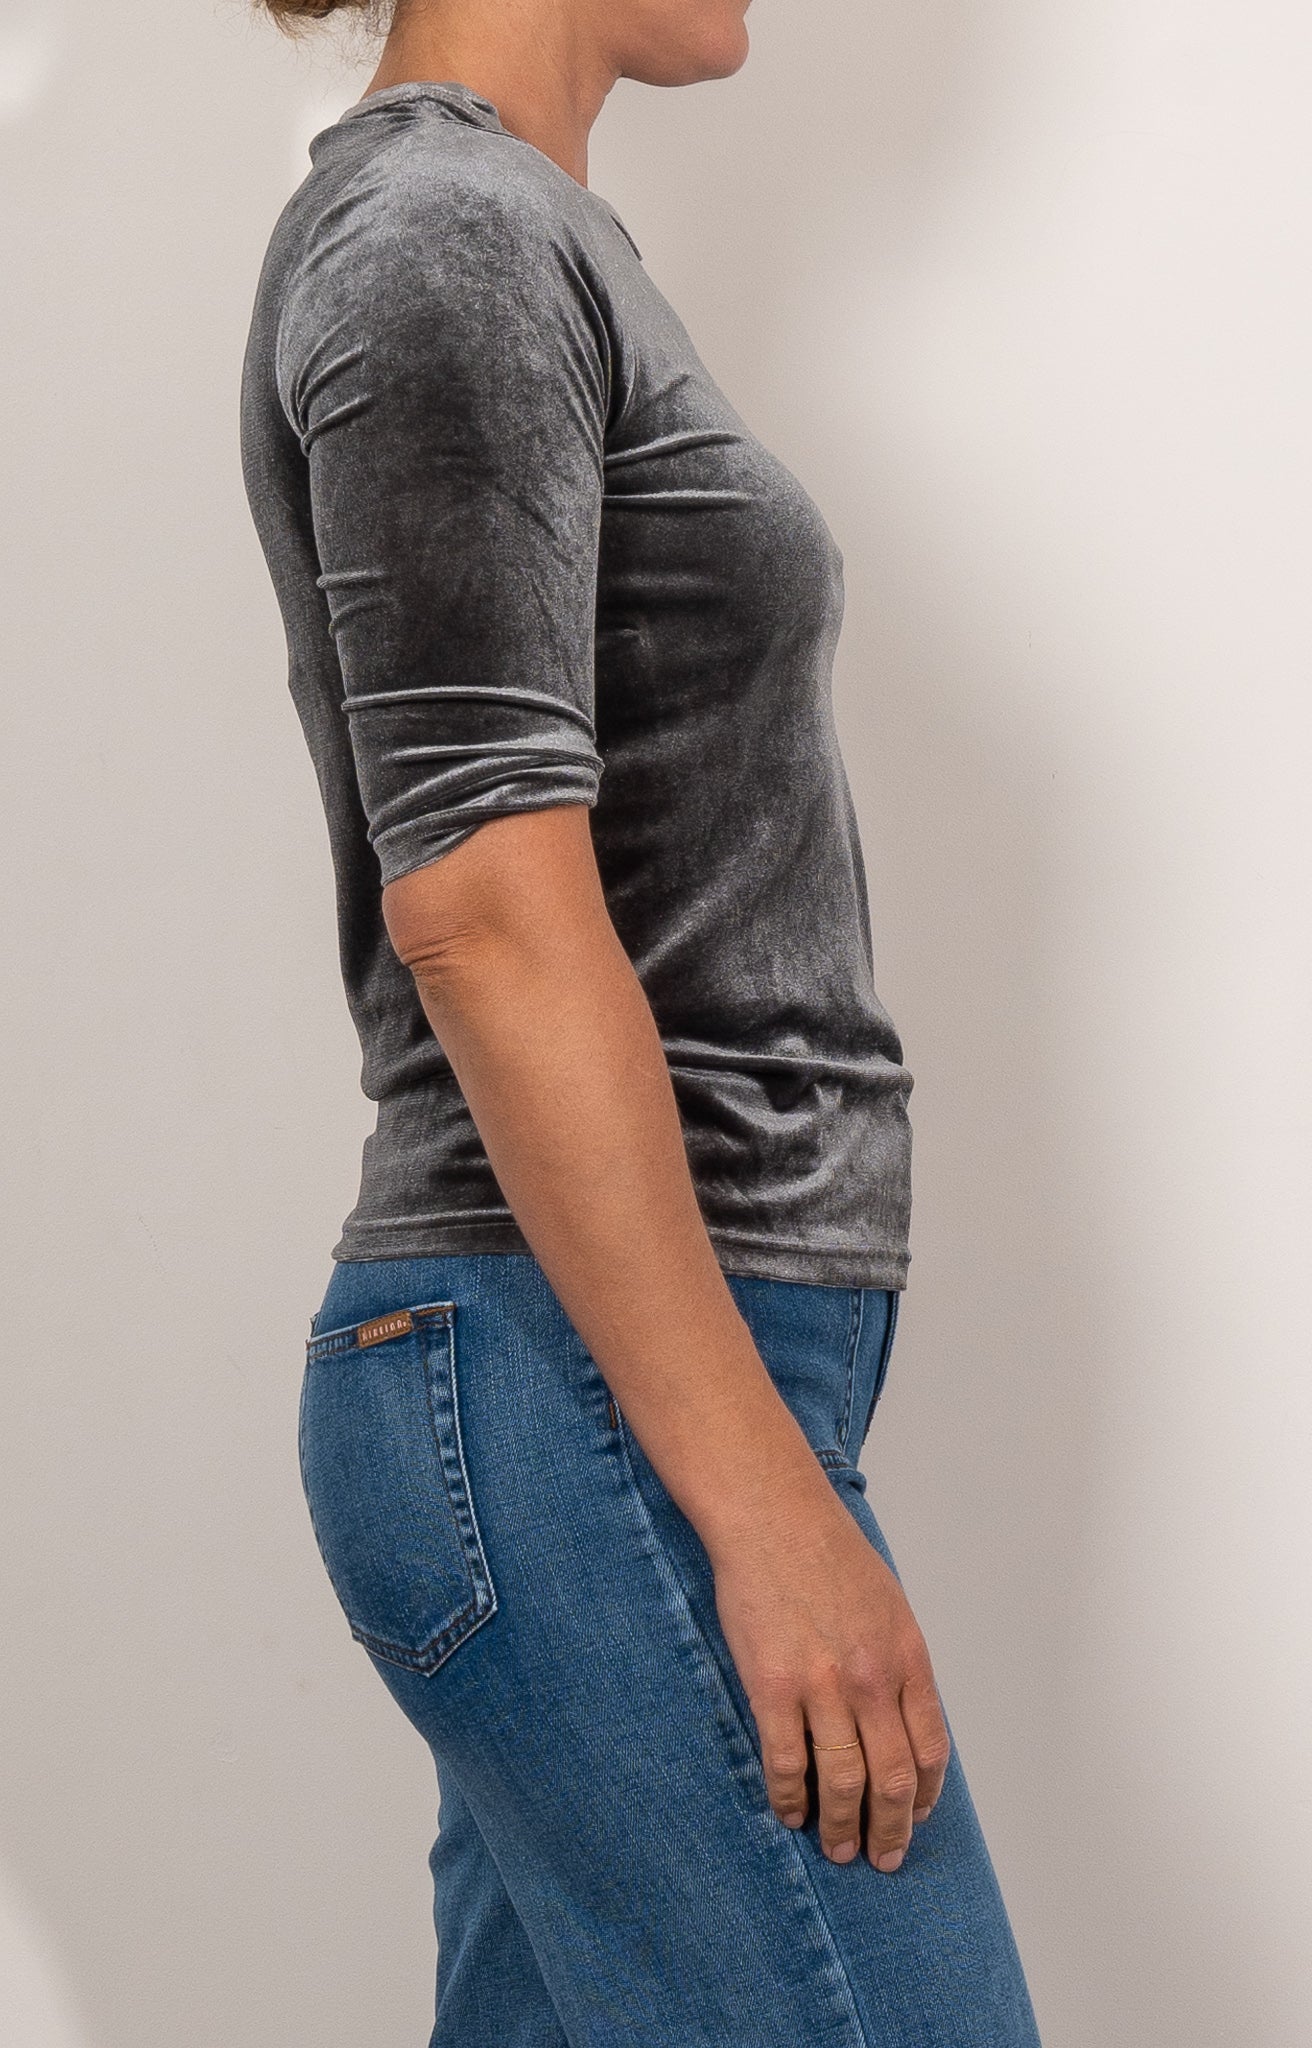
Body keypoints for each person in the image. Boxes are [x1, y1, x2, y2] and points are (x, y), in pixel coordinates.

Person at [240, 1, 1043, 2040]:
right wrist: (758, 1504)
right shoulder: (443, 236)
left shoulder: (506, 231)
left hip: (592, 1361)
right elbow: (485, 912)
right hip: (583, 1367)